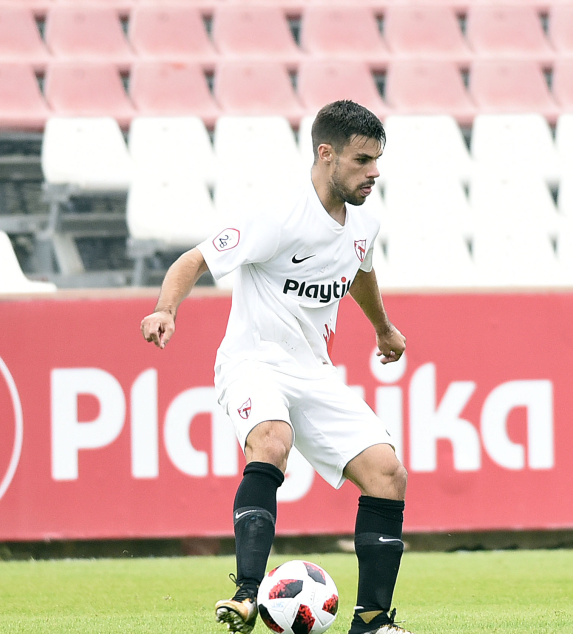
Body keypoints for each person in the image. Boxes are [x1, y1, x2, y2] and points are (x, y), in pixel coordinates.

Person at [141, 100, 413, 634]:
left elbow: (359, 271)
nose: (374, 172)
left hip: (313, 370)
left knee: (388, 474)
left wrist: (382, 328)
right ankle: (246, 595)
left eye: (377, 161)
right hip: (253, 359)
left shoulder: (365, 220)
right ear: (326, 153)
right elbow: (194, 260)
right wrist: (164, 309)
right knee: (271, 440)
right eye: (362, 160)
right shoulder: (277, 214)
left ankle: (374, 621)